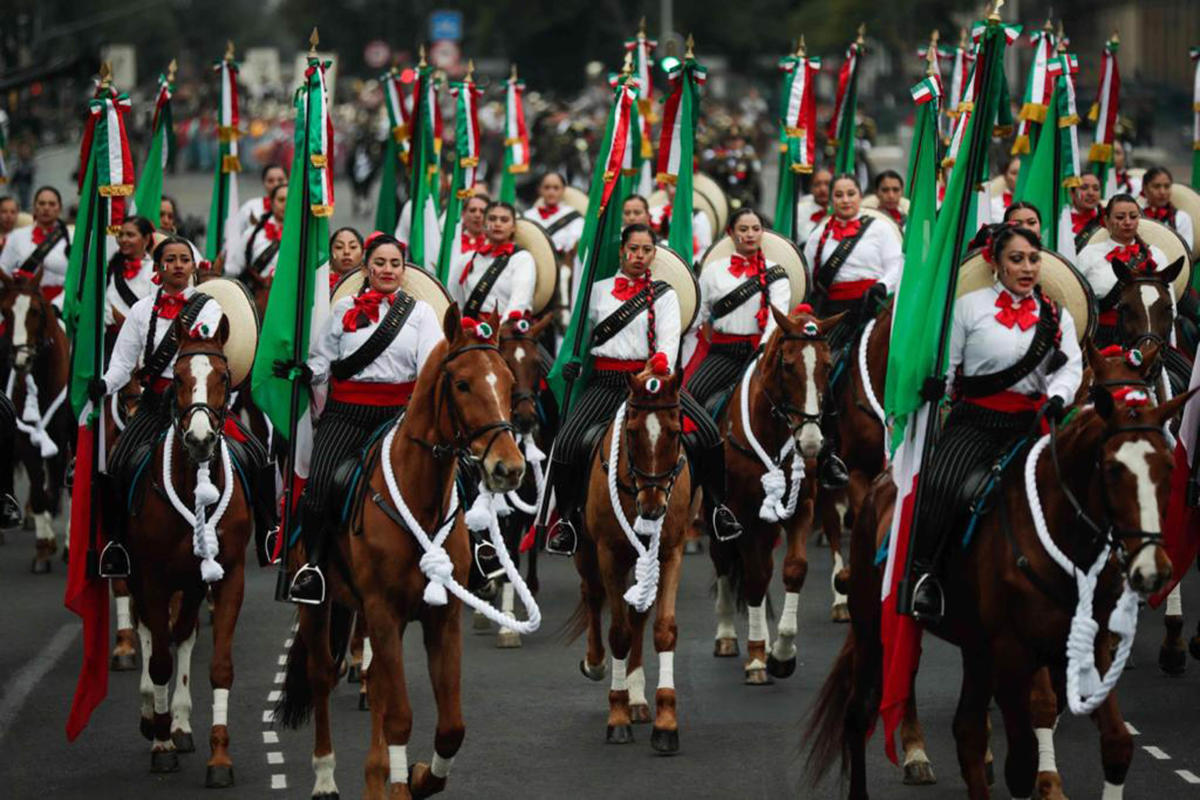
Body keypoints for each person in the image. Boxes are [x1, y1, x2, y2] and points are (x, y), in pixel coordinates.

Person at [907, 226, 1082, 621]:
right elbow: (949, 370)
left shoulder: (1057, 315)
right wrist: (937, 390)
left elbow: (1070, 368)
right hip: (976, 422)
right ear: (996, 264)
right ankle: (924, 574)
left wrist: (1059, 395)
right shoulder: (968, 308)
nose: (1027, 267)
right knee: (941, 484)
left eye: (1033, 258)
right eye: (1016, 259)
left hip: (1034, 421)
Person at [546, 223, 741, 554]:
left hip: (652, 383)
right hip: (606, 382)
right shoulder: (596, 290)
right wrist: (573, 360)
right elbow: (581, 339)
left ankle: (718, 509)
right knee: (565, 443)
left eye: (646, 250)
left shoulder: (664, 294)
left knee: (708, 433)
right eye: (634, 249)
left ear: (654, 253)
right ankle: (567, 521)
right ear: (622, 250)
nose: (639, 256)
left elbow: (667, 342)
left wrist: (659, 364)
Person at [90, 236, 271, 577]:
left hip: (201, 405)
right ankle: (117, 545)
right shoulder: (141, 312)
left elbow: (211, 358)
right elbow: (123, 362)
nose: (177, 265)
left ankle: (267, 532)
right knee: (117, 464)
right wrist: (104, 384)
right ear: (158, 267)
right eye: (170, 259)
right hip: (156, 406)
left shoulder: (209, 308)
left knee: (258, 454)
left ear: (192, 266)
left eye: (184, 259)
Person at [280, 232, 445, 604]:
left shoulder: (420, 313)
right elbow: (323, 360)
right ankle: (314, 567)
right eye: (381, 263)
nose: (388, 270)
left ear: (404, 270)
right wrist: (306, 372)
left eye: (395, 264)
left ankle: (458, 555)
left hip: (398, 416)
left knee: (450, 474)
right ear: (367, 267)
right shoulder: (343, 310)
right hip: (347, 414)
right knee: (319, 485)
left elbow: (430, 366)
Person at [804, 174, 903, 323]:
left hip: (873, 306)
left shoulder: (881, 228)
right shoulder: (818, 235)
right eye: (839, 195)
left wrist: (883, 286)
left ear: (860, 196)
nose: (845, 200)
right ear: (831, 200)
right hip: (832, 312)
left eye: (851, 194)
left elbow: (896, 267)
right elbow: (808, 279)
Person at [1077, 194, 1169, 346]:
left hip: (1146, 337)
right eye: (1120, 217)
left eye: (1133, 217)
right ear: (1106, 221)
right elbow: (1078, 300)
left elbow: (1168, 304)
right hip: (1099, 336)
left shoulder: (1156, 255)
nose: (1127, 222)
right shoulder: (1089, 254)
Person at [449, 201, 535, 321]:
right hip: (470, 330)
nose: (497, 224)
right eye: (492, 219)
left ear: (513, 227)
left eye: (504, 220)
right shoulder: (468, 259)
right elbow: (454, 297)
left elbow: (519, 301)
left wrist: (498, 331)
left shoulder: (522, 259)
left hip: (506, 331)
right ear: (484, 225)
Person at [0, 186, 70, 301]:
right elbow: (4, 270)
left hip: (62, 305)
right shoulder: (16, 237)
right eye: (41, 203)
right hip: (23, 305)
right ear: (34, 207)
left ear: (60, 208)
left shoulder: (71, 238)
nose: (46, 208)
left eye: (52, 204)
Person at [105, 215, 157, 336]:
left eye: (130, 235)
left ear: (146, 239)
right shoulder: (110, 268)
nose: (123, 239)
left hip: (142, 337)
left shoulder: (155, 270)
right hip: (109, 337)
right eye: (121, 235)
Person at [227, 183, 286, 281]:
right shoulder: (253, 234)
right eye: (281, 200)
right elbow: (234, 269)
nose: (286, 204)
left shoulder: (303, 237)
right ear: (271, 203)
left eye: (291, 200)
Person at [526, 172, 583, 262]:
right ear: (539, 190)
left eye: (556, 188)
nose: (551, 192)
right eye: (547, 187)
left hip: (563, 265)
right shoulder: (528, 216)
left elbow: (574, 246)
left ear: (563, 190)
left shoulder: (574, 216)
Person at [650, 181, 713, 262]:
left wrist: (684, 267)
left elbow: (704, 250)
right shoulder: (654, 213)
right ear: (666, 188)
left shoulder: (698, 216)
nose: (678, 191)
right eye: (674, 186)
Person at [232, 163, 287, 245]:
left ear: (288, 180)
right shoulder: (250, 207)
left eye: (280, 180)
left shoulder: (296, 209)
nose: (276, 184)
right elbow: (235, 236)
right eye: (270, 181)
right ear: (263, 183)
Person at [1141, 166, 1194, 251]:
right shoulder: (1137, 215)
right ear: (1145, 188)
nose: (1162, 192)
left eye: (1167, 186)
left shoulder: (1181, 218)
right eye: (1156, 186)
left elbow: (1186, 251)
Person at [448, 193, 490, 268]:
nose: (477, 215)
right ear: (463, 214)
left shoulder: (493, 245)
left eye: (482, 211)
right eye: (472, 210)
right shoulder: (452, 242)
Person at [794, 167, 832, 244]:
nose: (822, 189)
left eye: (827, 184)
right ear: (811, 188)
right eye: (817, 184)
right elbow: (803, 238)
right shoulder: (800, 210)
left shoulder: (841, 209)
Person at [1070, 173, 1103, 252]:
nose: (1091, 193)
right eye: (1084, 188)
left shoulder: (1106, 220)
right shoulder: (1062, 223)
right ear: (1072, 193)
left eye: (1096, 189)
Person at [327, 227, 364, 291]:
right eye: (339, 247)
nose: (346, 252)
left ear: (362, 252)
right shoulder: (321, 283)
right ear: (330, 252)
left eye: (353, 247)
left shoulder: (371, 284)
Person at [988, 156, 1020, 222]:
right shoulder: (992, 206)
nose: (1019, 177)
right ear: (1005, 176)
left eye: (1022, 173)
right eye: (1014, 173)